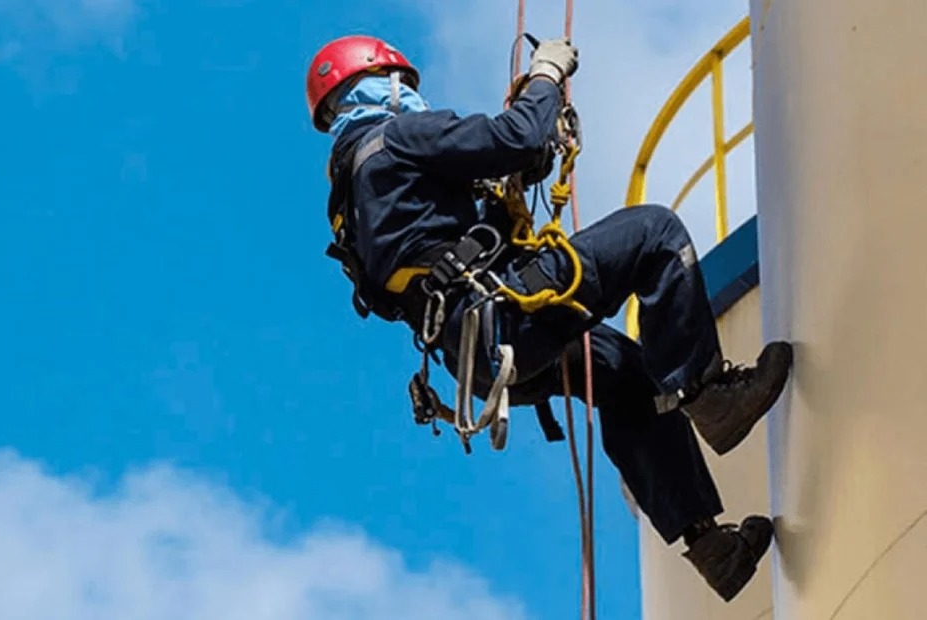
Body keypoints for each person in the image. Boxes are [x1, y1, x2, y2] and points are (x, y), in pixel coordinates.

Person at [306, 33, 794, 602]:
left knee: (626, 376)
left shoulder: (352, 195)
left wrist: (519, 169)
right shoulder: (398, 137)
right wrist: (545, 77)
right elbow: (514, 138)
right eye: (403, 86)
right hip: (501, 318)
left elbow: (471, 202)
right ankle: (711, 395)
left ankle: (711, 548)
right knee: (654, 234)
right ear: (380, 86)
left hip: (481, 355)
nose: (411, 96)